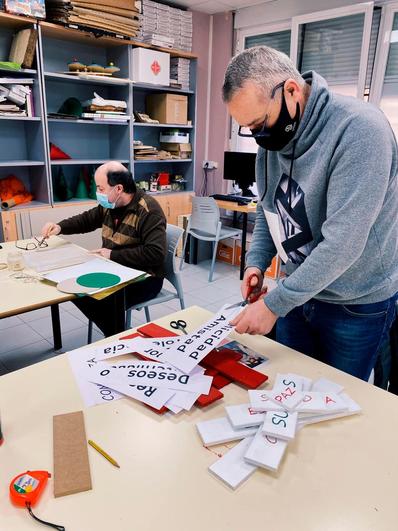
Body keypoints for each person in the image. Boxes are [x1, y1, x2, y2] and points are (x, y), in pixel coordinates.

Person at [223, 45, 398, 381]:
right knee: (291, 387)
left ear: (291, 90)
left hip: (355, 302)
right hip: (297, 292)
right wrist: (256, 262)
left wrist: (274, 305)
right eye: (249, 128)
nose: (258, 136)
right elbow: (268, 208)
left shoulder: (360, 131)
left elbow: (343, 244)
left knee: (338, 403)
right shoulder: (272, 144)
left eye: (260, 123)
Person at [41, 161, 167, 337]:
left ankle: (117, 338)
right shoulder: (110, 205)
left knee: (108, 297)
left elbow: (155, 254)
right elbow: (86, 220)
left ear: (118, 189)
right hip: (113, 269)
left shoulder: (148, 210)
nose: (97, 193)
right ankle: (117, 335)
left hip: (145, 278)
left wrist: (112, 254)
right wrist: (59, 227)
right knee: (73, 288)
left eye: (100, 188)